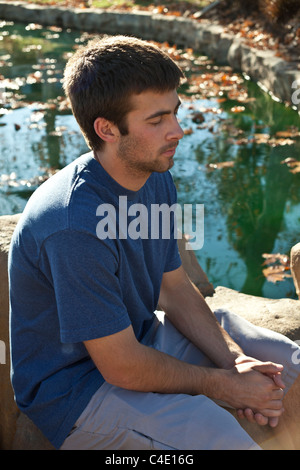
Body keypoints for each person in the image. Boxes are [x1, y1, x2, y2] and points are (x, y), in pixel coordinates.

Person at [9, 35, 300, 451]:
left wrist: (235, 361)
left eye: (175, 113)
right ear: (107, 129)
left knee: (288, 367)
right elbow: (122, 366)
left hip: (141, 337)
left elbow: (174, 287)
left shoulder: (154, 175)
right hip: (77, 390)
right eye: (157, 120)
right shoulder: (72, 224)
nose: (177, 131)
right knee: (218, 437)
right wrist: (223, 386)